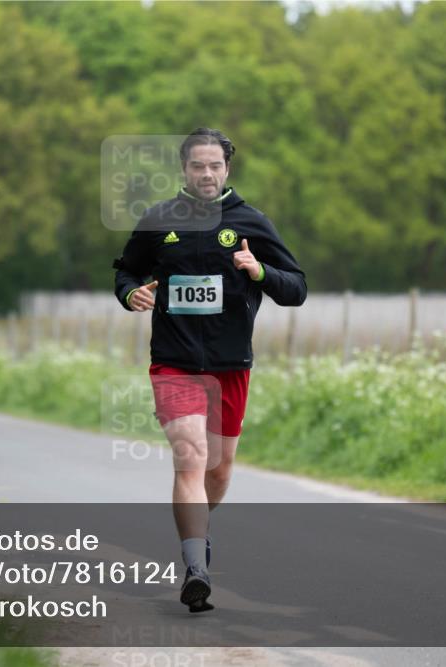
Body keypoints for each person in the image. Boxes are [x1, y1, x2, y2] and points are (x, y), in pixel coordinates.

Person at [113, 128, 307, 612]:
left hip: (230, 366)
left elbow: (296, 287)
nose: (206, 173)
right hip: (175, 363)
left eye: (215, 166)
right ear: (184, 169)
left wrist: (259, 271)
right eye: (198, 165)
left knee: (218, 474)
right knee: (192, 456)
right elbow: (126, 270)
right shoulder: (158, 220)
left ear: (227, 169)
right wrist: (129, 293)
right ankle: (196, 568)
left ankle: (198, 533)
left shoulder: (250, 222)